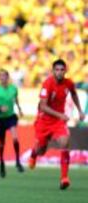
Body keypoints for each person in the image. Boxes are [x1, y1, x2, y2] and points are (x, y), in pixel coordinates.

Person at [28, 59, 85, 190]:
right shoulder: (47, 84)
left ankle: (64, 178)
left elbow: (74, 94)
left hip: (58, 121)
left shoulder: (69, 83)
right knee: (41, 151)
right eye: (57, 70)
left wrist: (80, 110)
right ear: (53, 71)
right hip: (44, 121)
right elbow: (43, 106)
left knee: (65, 142)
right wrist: (60, 115)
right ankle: (34, 153)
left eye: (62, 70)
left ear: (66, 70)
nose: (59, 72)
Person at [0, 69, 24, 178]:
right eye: (1, 76)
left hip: (10, 117)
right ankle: (2, 163)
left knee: (15, 138)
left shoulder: (13, 89)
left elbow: (15, 99)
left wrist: (19, 108)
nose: (3, 78)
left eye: (5, 76)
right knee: (2, 143)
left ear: (8, 77)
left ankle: (17, 161)